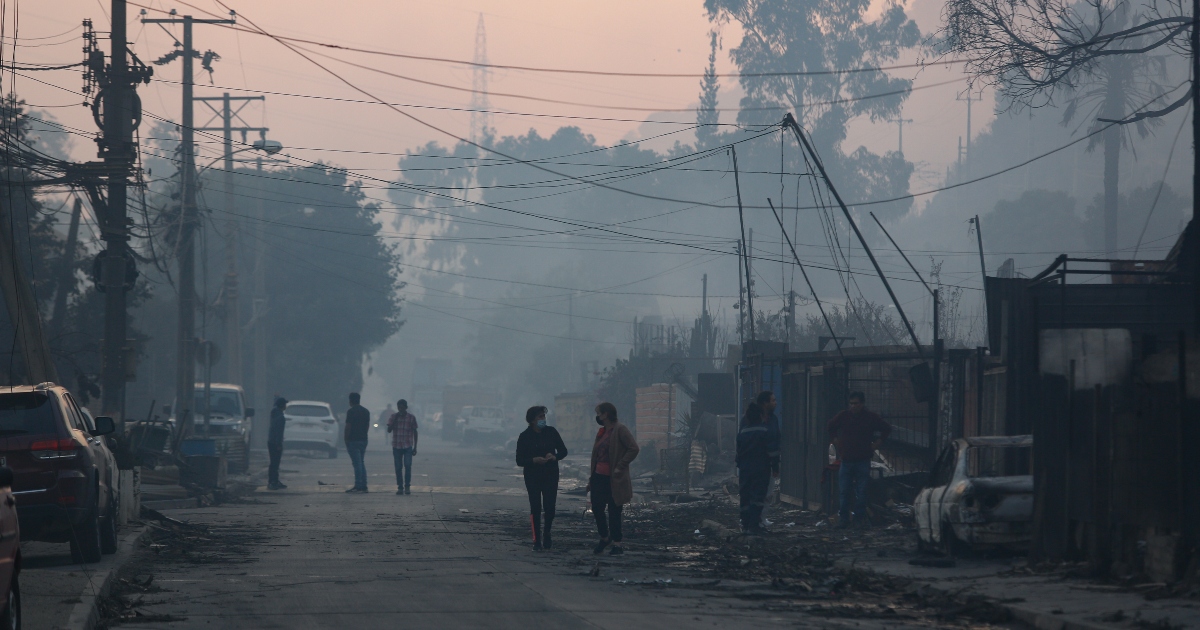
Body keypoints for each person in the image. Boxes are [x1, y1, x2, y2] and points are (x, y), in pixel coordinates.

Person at [827, 391, 891, 528]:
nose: (853, 406)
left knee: (861, 492)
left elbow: (886, 428)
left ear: (862, 404)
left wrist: (878, 443)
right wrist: (835, 440)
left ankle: (859, 519)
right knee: (844, 491)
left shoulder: (870, 418)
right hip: (847, 460)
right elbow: (830, 426)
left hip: (862, 460)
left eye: (856, 403)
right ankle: (844, 519)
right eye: (851, 404)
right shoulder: (844, 416)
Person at [587, 402, 639, 556]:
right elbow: (596, 457)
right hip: (598, 477)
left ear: (606, 414)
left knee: (614, 510)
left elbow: (633, 448)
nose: (598, 416)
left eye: (599, 413)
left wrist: (620, 466)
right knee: (596, 508)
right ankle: (604, 537)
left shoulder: (619, 429)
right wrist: (591, 480)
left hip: (614, 478)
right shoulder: (602, 432)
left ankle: (617, 544)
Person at [515, 405, 567, 551]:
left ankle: (547, 532)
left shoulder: (551, 432)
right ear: (532, 420)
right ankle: (536, 539)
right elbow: (519, 460)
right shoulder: (525, 436)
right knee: (535, 507)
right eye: (540, 417)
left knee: (550, 506)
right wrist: (533, 460)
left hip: (550, 473)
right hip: (532, 475)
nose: (543, 419)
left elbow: (563, 451)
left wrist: (554, 456)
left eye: (544, 416)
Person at [736, 401, 778, 534]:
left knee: (745, 496)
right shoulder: (765, 431)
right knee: (758, 496)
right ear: (760, 415)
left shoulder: (742, 432)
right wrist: (775, 466)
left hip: (745, 470)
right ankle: (755, 525)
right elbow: (772, 451)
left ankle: (745, 524)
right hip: (760, 469)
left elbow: (738, 453)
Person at [755, 390, 782, 528]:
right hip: (757, 462)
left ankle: (762, 518)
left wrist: (775, 465)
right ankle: (754, 519)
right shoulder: (754, 419)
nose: (775, 403)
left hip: (769, 463)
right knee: (757, 492)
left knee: (768, 492)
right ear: (765, 403)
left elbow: (776, 441)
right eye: (773, 400)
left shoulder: (774, 419)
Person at [387, 399, 418, 495]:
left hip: (407, 446)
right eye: (399, 407)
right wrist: (394, 421)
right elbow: (388, 430)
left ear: (406, 407)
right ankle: (400, 487)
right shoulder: (393, 416)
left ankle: (407, 486)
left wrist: (415, 447)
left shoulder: (411, 418)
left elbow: (415, 432)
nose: (400, 409)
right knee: (398, 467)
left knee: (408, 466)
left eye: (402, 407)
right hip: (396, 446)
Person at [344, 393, 371, 493]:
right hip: (363, 439)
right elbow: (367, 426)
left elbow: (348, 427)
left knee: (357, 463)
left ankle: (358, 485)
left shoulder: (351, 412)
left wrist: (346, 439)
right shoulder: (366, 411)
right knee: (361, 462)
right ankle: (363, 485)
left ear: (350, 401)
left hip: (353, 440)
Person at [267, 397, 288, 490]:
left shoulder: (274, 414)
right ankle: (273, 482)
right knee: (275, 463)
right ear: (282, 406)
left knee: (273, 463)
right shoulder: (281, 418)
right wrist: (279, 444)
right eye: (285, 404)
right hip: (276, 443)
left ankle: (273, 481)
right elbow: (279, 432)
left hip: (270, 441)